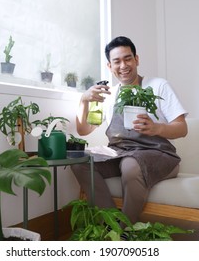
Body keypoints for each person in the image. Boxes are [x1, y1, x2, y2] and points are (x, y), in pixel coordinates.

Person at [71, 36, 188, 224]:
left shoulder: (158, 86)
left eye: (128, 59)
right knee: (79, 162)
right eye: (117, 61)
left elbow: (182, 128)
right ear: (110, 66)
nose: (123, 65)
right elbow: (84, 130)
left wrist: (157, 127)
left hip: (159, 154)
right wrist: (84, 100)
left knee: (130, 164)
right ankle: (110, 224)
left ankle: (125, 229)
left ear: (137, 60)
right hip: (119, 153)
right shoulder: (108, 96)